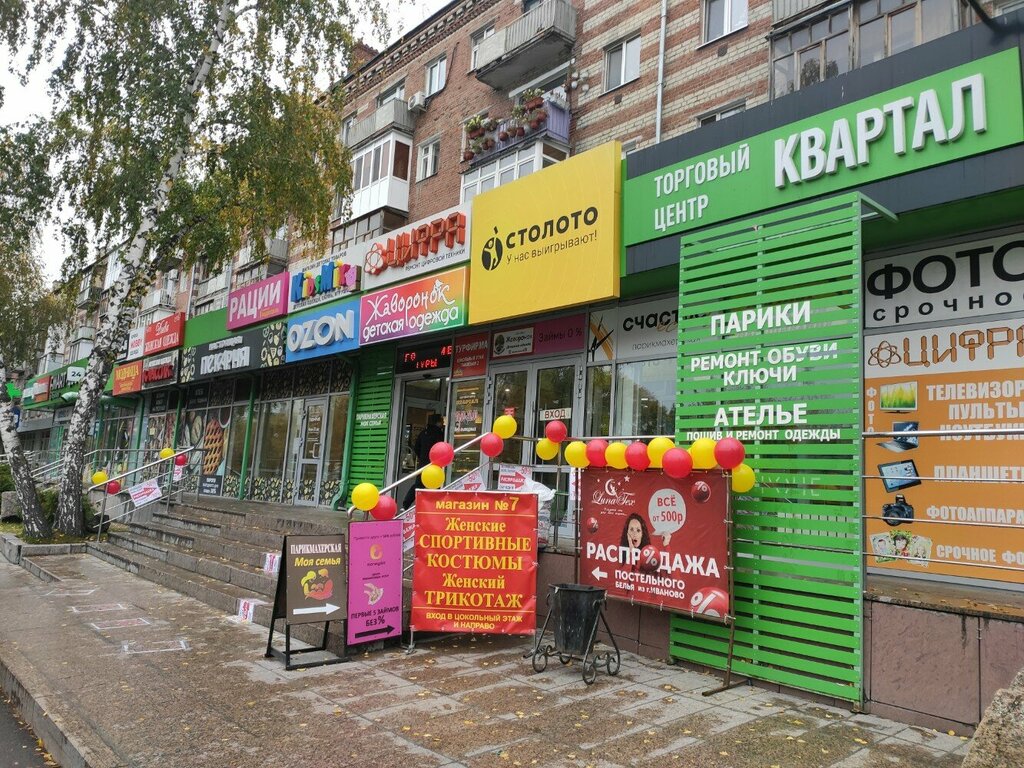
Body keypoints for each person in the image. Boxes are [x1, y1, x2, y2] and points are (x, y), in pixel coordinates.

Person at [403, 414, 445, 508]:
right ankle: (433, 506)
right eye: (441, 421)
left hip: (423, 464)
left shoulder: (423, 433)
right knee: (436, 485)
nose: (443, 423)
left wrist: (422, 457)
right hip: (435, 465)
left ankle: (405, 505)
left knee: (419, 484)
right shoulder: (440, 434)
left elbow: (416, 448)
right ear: (437, 422)